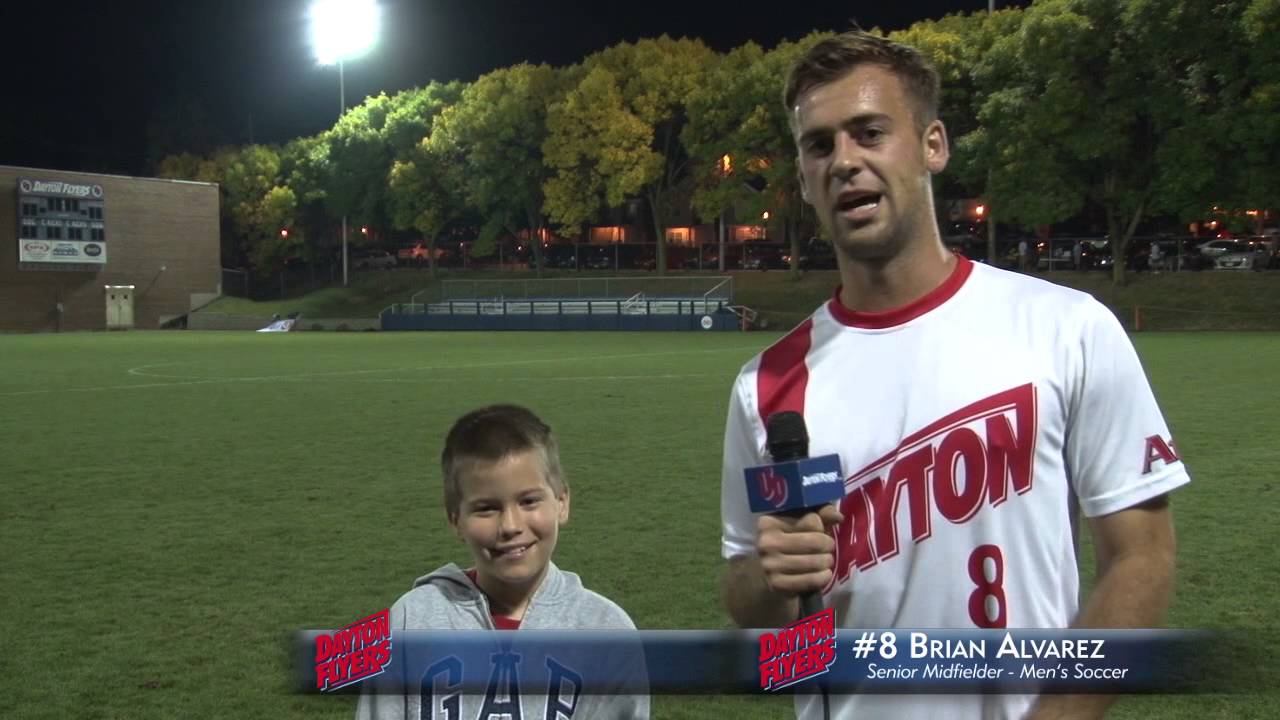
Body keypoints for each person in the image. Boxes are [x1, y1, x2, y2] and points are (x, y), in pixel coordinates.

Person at [719, 31, 1188, 720]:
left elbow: (1141, 555)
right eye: (819, 146)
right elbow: (751, 604)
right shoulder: (768, 384)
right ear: (803, 179)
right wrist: (770, 580)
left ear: (932, 145)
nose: (844, 161)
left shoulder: (1066, 328)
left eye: (869, 133)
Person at [357, 404, 648, 719]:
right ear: (456, 519)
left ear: (562, 503)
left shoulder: (605, 632)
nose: (510, 525)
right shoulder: (410, 622)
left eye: (528, 501)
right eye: (486, 508)